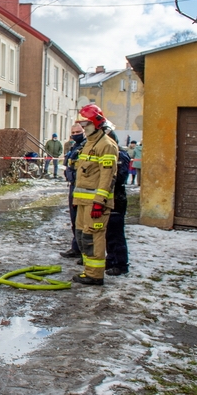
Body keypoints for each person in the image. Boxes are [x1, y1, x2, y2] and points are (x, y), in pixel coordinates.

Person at [71, 104, 119, 286]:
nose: (83, 130)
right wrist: (77, 199)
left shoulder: (106, 146)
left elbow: (108, 176)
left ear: (97, 123)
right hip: (83, 202)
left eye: (86, 126)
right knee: (82, 236)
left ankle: (95, 274)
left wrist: (99, 202)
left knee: (93, 237)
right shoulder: (89, 144)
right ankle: (89, 271)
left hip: (95, 204)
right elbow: (84, 175)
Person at [104, 130, 131, 276]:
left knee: (116, 233)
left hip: (117, 199)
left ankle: (121, 264)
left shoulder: (120, 155)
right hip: (108, 199)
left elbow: (120, 178)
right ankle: (111, 259)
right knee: (108, 233)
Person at [60, 123, 86, 259]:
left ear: (84, 132)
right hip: (73, 185)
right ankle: (76, 248)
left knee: (83, 221)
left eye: (78, 132)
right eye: (73, 132)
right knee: (75, 220)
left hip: (82, 186)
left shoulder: (86, 147)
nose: (75, 134)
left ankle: (84, 251)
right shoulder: (74, 147)